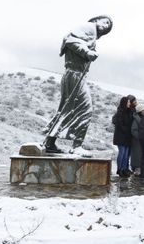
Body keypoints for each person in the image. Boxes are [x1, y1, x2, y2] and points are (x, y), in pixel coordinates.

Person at [43, 15, 113, 153]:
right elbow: (70, 40)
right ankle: (77, 147)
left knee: (68, 108)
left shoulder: (90, 33)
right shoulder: (88, 27)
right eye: (105, 22)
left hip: (75, 74)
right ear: (96, 20)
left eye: (108, 27)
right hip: (75, 74)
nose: (106, 26)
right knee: (86, 109)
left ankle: (50, 143)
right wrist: (87, 52)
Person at [113, 97, 134, 177]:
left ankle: (124, 169)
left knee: (125, 154)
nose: (129, 103)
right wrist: (128, 130)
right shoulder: (120, 112)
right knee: (121, 153)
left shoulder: (129, 112)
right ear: (124, 103)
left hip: (127, 137)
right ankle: (119, 170)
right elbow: (120, 125)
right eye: (128, 102)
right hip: (121, 136)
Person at [131, 103, 144, 176]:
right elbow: (133, 130)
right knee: (137, 156)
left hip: (142, 141)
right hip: (137, 142)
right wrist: (140, 137)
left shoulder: (143, 118)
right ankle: (137, 169)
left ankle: (142, 169)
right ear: (141, 111)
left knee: (141, 155)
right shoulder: (136, 120)